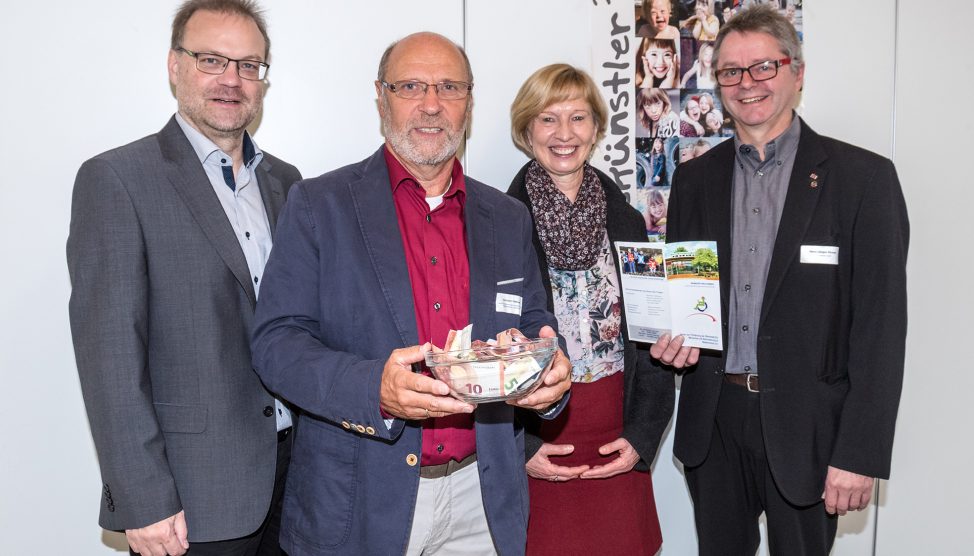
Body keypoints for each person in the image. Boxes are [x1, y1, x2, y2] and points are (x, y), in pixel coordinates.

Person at [250, 32, 573, 556]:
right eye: (410, 86)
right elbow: (275, 344)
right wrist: (371, 387)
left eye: (449, 87)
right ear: (381, 97)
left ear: (468, 102)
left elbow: (537, 323)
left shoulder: (508, 218)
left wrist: (551, 379)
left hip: (483, 500)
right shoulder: (318, 205)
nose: (430, 104)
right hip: (359, 503)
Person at [651, 6, 909, 555]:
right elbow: (687, 300)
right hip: (714, 423)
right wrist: (673, 342)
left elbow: (881, 331)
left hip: (811, 432)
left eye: (763, 67)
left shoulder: (863, 179)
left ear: (798, 72)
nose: (747, 84)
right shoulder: (695, 180)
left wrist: (859, 452)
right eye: (730, 72)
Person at [66, 2, 301, 555]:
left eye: (249, 66)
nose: (232, 80)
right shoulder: (117, 180)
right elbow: (109, 357)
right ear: (175, 66)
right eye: (212, 59)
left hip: (295, 482)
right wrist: (142, 498)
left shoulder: (286, 183)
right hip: (191, 499)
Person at [504, 64, 674, 555]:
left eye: (578, 118)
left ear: (596, 129)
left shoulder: (629, 222)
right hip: (540, 436)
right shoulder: (496, 222)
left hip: (617, 436)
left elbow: (653, 337)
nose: (564, 134)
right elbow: (482, 348)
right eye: (547, 118)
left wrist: (642, 437)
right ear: (526, 130)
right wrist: (522, 446)